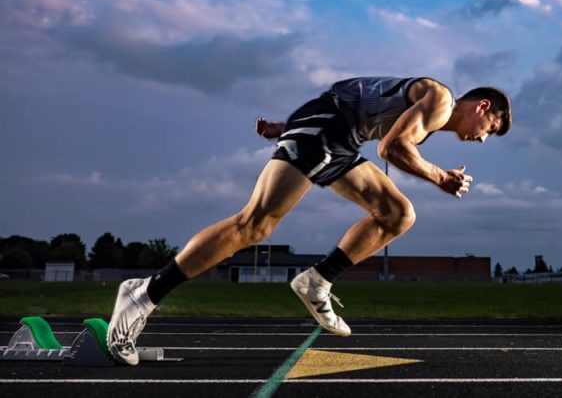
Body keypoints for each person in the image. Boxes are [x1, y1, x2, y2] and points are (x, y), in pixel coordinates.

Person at [107, 76, 511, 365]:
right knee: (254, 226)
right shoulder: (440, 100)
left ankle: (317, 280)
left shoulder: (430, 113)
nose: (482, 138)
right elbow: (391, 148)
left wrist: (287, 127)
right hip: (327, 132)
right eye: (490, 129)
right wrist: (441, 177)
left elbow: (357, 96)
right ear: (482, 107)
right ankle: (143, 293)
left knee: (397, 214)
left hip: (333, 136)